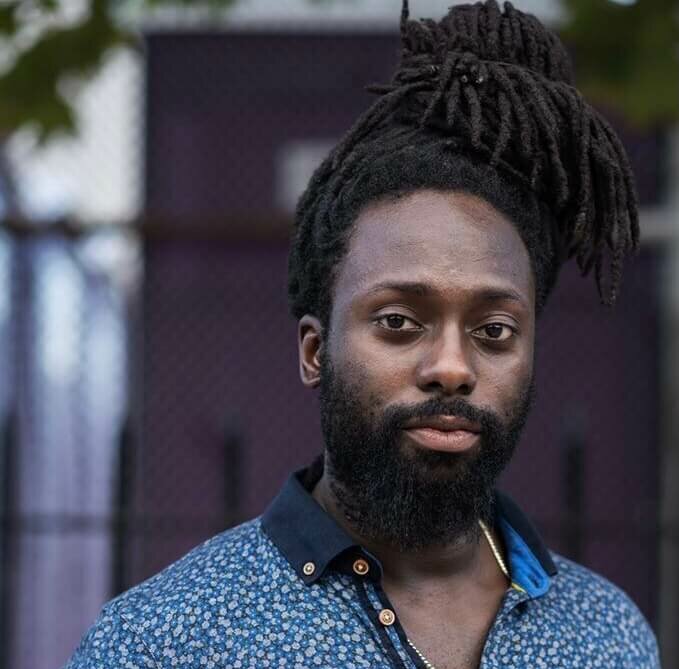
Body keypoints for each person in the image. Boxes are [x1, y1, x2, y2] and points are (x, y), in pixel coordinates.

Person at [64, 1, 660, 667]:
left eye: (493, 329)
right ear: (315, 350)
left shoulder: (608, 635)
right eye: (399, 323)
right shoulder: (165, 640)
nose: (451, 365)